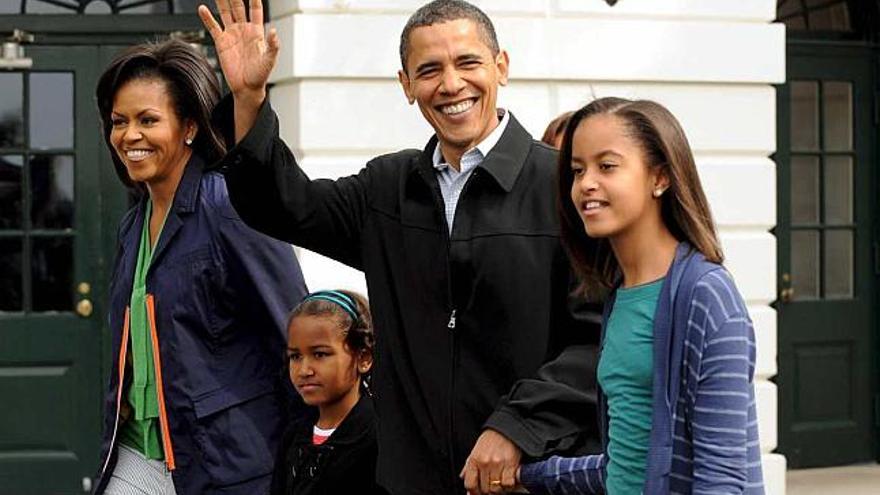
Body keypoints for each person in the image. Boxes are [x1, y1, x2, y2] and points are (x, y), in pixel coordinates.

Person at [198, 0, 601, 493]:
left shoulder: (561, 187)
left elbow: (596, 339)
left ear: (501, 66)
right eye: (428, 70)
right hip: (413, 481)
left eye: (467, 62)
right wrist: (249, 98)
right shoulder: (386, 188)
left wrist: (516, 427)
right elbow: (283, 205)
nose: (450, 84)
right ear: (407, 86)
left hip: (526, 476)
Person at [517, 97, 765, 494]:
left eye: (607, 166)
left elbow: (723, 477)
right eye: (577, 170)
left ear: (660, 178)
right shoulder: (619, 295)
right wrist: (526, 476)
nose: (586, 184)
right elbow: (631, 463)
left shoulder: (706, 295)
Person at [93, 39, 308, 495]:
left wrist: (308, 454)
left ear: (189, 126)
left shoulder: (229, 204)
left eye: (148, 120)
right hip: (135, 452)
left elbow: (293, 328)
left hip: (225, 463)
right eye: (119, 122)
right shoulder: (133, 224)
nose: (129, 136)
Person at [271, 290, 387, 495]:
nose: (305, 370)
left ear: (363, 358)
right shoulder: (294, 437)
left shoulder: (381, 437)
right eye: (295, 356)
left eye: (320, 354)